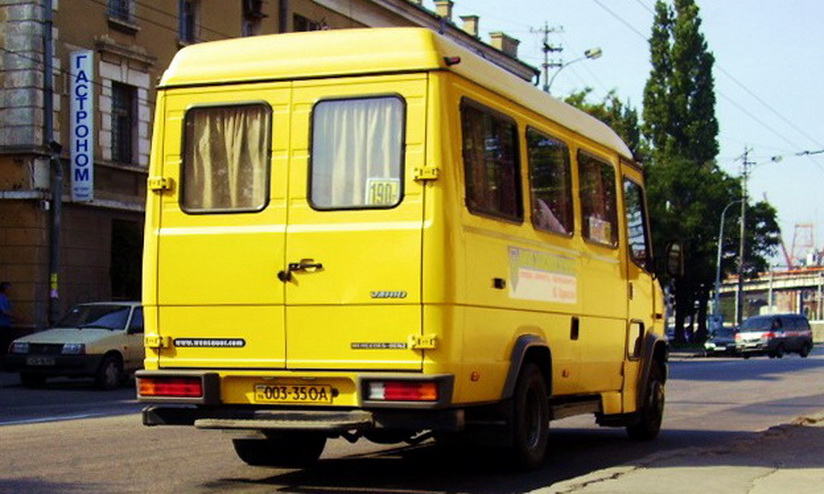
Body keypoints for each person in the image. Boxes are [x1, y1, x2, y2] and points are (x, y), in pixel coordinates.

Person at [0, 282, 13, 356]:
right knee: (3, 344)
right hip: (2, 325)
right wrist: (13, 316)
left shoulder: (6, 298)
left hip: (6, 324)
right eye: (9, 288)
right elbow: (3, 311)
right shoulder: (1, 298)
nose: (10, 290)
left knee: (6, 344)